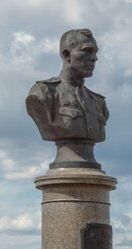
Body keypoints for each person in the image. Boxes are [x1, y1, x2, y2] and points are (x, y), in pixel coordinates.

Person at [26, 29, 109, 166]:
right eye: (87, 51)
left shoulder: (99, 102)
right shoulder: (44, 93)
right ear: (67, 55)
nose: (95, 58)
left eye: (95, 52)